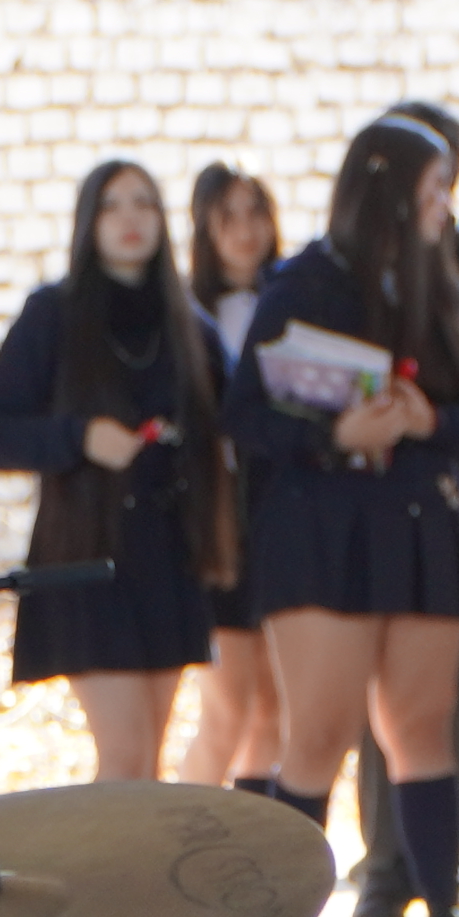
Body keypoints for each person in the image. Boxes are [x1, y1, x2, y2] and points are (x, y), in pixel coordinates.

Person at [228, 111, 459, 917]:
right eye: (433, 189)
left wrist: (430, 420)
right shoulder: (304, 281)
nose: (445, 206)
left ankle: (445, 916)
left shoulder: (447, 284)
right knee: (318, 732)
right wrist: (333, 432)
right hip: (320, 531)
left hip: (422, 526)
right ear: (387, 190)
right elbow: (247, 414)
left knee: (422, 726)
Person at [338, 100, 459, 917]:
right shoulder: (341, 270)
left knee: (453, 700)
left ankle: (449, 859)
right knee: (379, 700)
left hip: (454, 507)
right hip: (368, 510)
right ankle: (385, 862)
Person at [0, 158, 229, 783]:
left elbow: (232, 422)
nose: (130, 219)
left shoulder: (190, 323)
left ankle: (137, 882)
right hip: (86, 554)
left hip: (169, 552)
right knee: (125, 752)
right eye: (114, 205)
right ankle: (112, 880)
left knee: (148, 759)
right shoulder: (52, 313)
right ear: (90, 219)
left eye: (144, 203)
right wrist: (80, 436)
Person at [181, 160, 291, 796]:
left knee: (274, 709)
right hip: (218, 527)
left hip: (281, 516)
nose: (247, 231)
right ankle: (177, 841)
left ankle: (254, 852)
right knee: (228, 709)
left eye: (257, 213)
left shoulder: (295, 299)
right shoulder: (186, 312)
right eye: (229, 217)